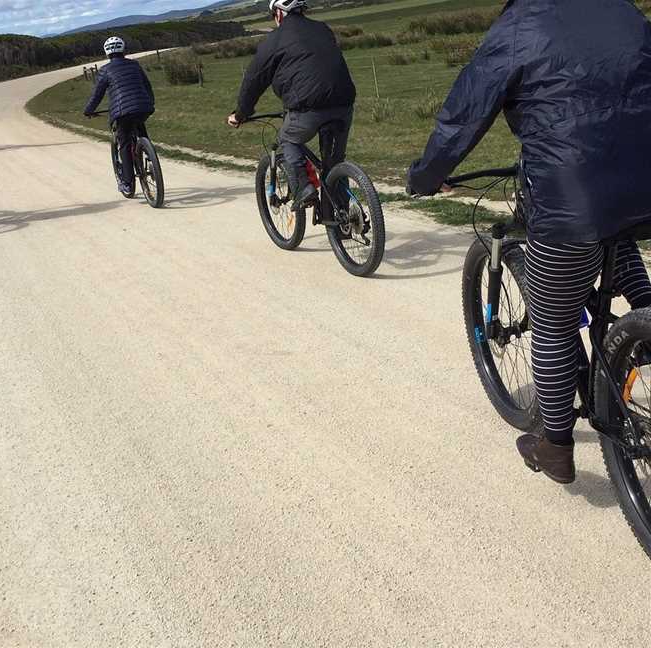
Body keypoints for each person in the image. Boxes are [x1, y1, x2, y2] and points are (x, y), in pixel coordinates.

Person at [406, 0, 651, 484]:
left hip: (571, 196)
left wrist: (426, 176)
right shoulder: (623, 10)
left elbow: (463, 113)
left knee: (553, 323)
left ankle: (556, 445)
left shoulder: (519, 26)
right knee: (616, 231)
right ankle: (643, 332)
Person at [227, 0, 356, 210]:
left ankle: (304, 189)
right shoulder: (322, 28)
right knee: (334, 164)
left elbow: (254, 80)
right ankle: (341, 221)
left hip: (308, 108)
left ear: (278, 13)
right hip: (343, 103)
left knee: (287, 141)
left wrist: (240, 114)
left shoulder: (274, 40)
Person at [83, 36, 155, 195]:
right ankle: (149, 155)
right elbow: (147, 86)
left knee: (123, 144)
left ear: (107, 53)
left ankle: (128, 184)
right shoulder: (135, 65)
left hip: (121, 112)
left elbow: (97, 95)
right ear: (123, 50)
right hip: (143, 107)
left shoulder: (105, 70)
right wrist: (150, 103)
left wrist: (88, 110)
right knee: (139, 125)